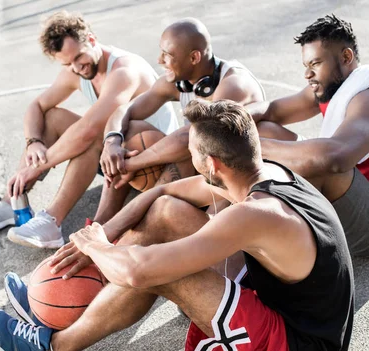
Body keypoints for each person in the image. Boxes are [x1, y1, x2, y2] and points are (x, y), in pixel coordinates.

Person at [0, 100, 354, 351]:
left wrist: (96, 245)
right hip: (286, 299)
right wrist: (104, 232)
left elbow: (138, 270)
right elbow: (163, 191)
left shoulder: (256, 214)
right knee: (165, 212)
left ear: (210, 162)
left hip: (298, 348)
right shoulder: (264, 172)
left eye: (189, 153)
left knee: (160, 272)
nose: (186, 159)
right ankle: (66, 298)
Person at [0, 11, 178, 248]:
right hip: (116, 155)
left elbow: (89, 130)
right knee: (52, 117)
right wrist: (33, 141)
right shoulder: (77, 70)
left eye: (79, 57)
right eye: (67, 63)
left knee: (94, 134)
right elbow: (37, 106)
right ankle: (11, 201)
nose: (77, 68)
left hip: (153, 160)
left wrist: (36, 168)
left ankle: (51, 222)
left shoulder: (124, 70)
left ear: (91, 38)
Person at [247, 15, 369, 257]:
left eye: (315, 64)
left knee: (319, 162)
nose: (308, 74)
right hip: (355, 193)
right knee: (265, 129)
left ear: (346, 58)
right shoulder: (332, 88)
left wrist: (249, 147)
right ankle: (256, 223)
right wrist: (230, 121)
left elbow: (336, 159)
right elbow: (272, 110)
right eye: (306, 66)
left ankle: (262, 237)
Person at [97, 18, 265, 217]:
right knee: (129, 130)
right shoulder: (178, 81)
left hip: (230, 178)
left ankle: (144, 219)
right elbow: (126, 110)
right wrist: (112, 142)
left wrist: (132, 163)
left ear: (194, 58)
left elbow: (194, 136)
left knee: (189, 149)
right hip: (201, 163)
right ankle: (101, 221)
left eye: (167, 55)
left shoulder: (232, 84)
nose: (159, 60)